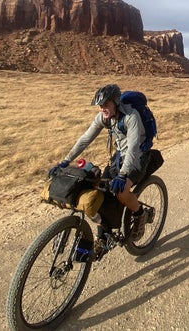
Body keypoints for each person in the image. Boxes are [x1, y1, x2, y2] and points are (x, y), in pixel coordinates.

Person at [49, 84, 149, 255]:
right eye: (101, 106)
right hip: (118, 158)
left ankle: (140, 213)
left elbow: (132, 149)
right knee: (99, 192)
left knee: (121, 192)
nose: (103, 108)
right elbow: (85, 139)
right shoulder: (103, 118)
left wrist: (123, 175)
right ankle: (105, 236)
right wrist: (65, 161)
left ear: (116, 103)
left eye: (106, 105)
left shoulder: (132, 116)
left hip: (137, 158)